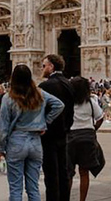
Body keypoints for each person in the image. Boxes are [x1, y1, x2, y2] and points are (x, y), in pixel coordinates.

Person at [0, 65, 64, 201]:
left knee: (16, 189)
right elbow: (59, 105)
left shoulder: (8, 97)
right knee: (33, 188)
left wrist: (1, 149)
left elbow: (3, 128)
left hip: (16, 141)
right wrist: (44, 122)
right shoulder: (39, 93)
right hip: (35, 142)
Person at [38, 54, 74, 201]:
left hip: (48, 135)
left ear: (51, 66)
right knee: (63, 171)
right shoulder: (69, 83)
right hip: (64, 133)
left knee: (51, 173)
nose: (42, 68)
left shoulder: (45, 86)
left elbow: (38, 111)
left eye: (44, 65)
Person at [67, 76, 104, 201]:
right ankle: (82, 200)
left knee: (69, 173)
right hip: (87, 138)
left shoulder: (68, 103)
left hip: (71, 138)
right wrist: (93, 129)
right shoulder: (90, 102)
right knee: (84, 172)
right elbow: (100, 117)